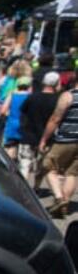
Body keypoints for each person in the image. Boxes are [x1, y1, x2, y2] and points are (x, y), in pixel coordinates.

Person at [40, 68, 78, 219]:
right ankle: (65, 204)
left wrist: (44, 138)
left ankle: (59, 198)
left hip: (66, 139)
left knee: (48, 166)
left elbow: (55, 119)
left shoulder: (68, 96)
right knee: (72, 173)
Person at [19, 71, 60, 188]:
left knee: (25, 164)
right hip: (47, 137)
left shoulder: (32, 97)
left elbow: (22, 112)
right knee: (41, 165)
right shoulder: (57, 100)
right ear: (56, 84)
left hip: (28, 134)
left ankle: (23, 189)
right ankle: (36, 187)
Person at [0, 77, 32, 161]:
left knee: (10, 149)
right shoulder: (30, 96)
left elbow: (3, 111)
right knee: (24, 154)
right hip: (25, 126)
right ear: (28, 86)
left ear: (18, 85)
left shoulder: (12, 94)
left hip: (12, 125)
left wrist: (9, 114)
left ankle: (10, 170)